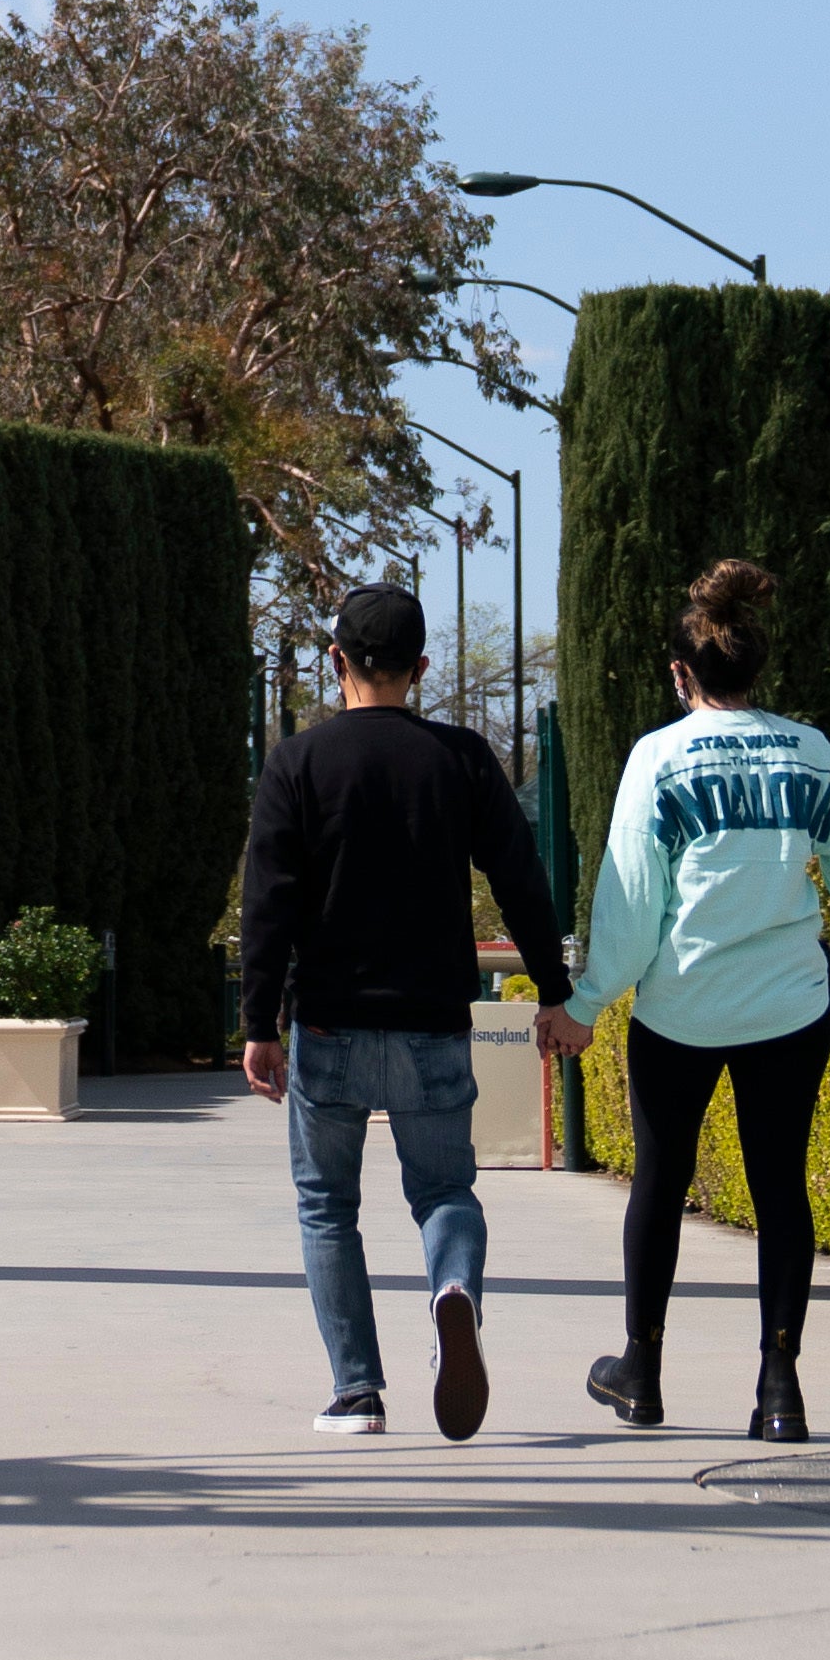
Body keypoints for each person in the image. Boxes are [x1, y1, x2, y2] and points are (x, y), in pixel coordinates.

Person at [566, 554, 830, 1444]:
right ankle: (779, 1388)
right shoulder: (809, 752)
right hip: (789, 1011)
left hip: (680, 1009)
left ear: (682, 674)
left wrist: (589, 1000)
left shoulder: (659, 758)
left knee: (660, 1180)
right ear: (755, 667)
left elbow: (632, 899)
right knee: (779, 1189)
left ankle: (640, 1372)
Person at [239, 579, 580, 1440]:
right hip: (433, 1021)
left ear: (336, 660)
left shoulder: (298, 764)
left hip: (329, 1022)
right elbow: (521, 881)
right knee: (445, 1189)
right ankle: (453, 1290)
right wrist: (554, 988)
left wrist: (257, 1024)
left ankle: (356, 1390)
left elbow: (268, 901)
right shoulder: (462, 759)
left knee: (327, 1205)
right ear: (422, 668)